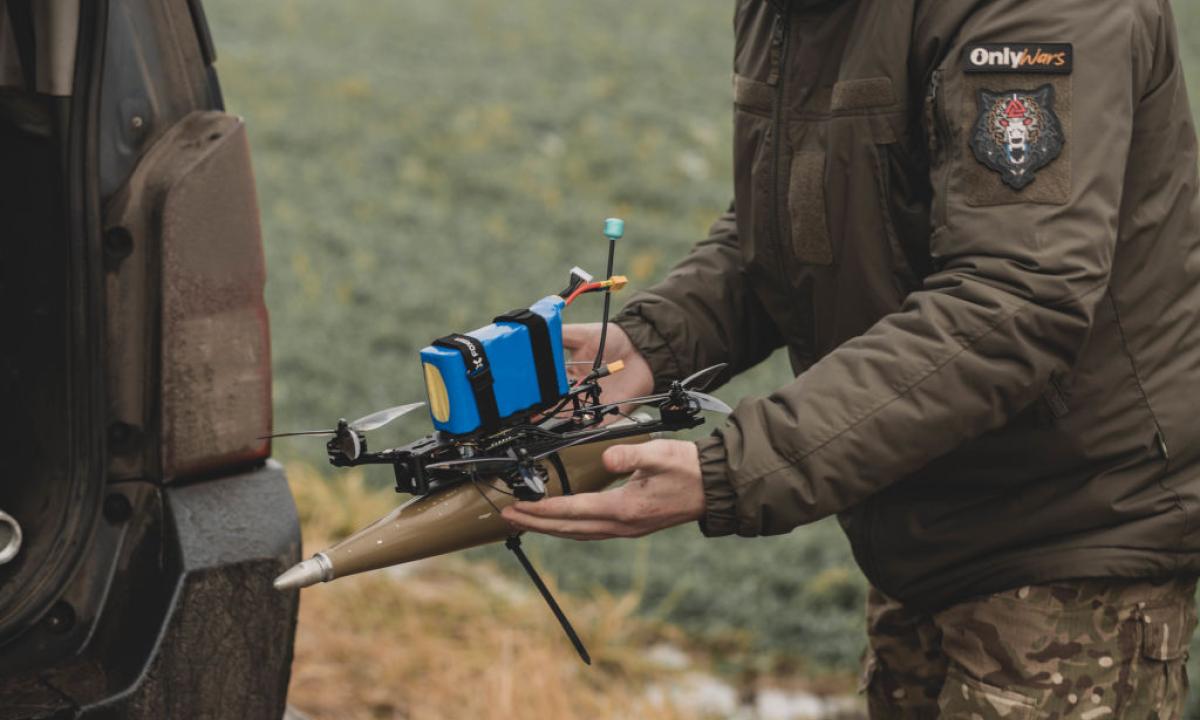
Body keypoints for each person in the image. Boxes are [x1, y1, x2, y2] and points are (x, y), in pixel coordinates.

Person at [502, 0, 1200, 716]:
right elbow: (803, 209)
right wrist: (654, 342)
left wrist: (738, 467)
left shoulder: (1045, 13)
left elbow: (1015, 300)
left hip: (1070, 538)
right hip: (916, 517)